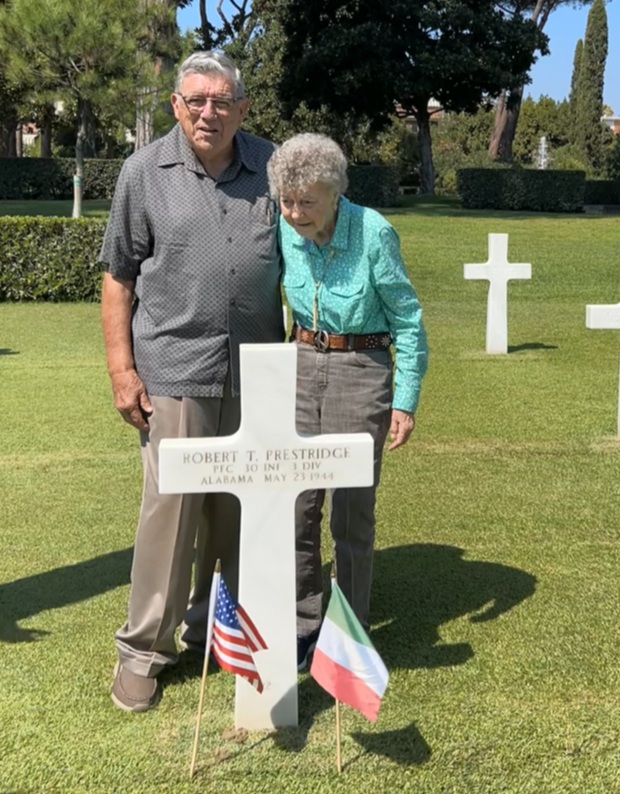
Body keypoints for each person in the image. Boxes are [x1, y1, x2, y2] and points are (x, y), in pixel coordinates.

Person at [99, 51, 284, 712]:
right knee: (170, 516)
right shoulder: (143, 172)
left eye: (223, 99)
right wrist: (122, 371)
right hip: (173, 372)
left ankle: (225, 629)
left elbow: (313, 245)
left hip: (259, 372)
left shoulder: (272, 165)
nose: (210, 111)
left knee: (241, 515)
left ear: (242, 105)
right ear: (177, 106)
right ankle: (145, 650)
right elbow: (118, 276)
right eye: (196, 100)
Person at [266, 133, 428, 670]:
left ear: (335, 193)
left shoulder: (374, 232)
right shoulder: (285, 228)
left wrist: (403, 402)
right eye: (286, 201)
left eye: (306, 202)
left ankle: (349, 634)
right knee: (296, 505)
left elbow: (408, 320)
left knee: (352, 513)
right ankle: (303, 624)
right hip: (300, 365)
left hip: (362, 371)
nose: (293, 214)